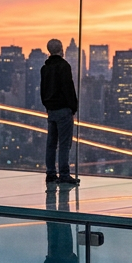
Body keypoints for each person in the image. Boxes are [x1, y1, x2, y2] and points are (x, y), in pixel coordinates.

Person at [40, 39, 80, 185]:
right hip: (63, 109)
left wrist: (47, 105)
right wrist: (73, 107)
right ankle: (64, 174)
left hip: (51, 110)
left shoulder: (45, 68)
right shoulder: (64, 66)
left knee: (51, 143)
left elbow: (43, 90)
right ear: (61, 49)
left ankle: (50, 173)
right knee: (64, 144)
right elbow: (68, 89)